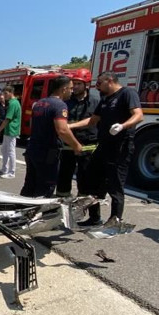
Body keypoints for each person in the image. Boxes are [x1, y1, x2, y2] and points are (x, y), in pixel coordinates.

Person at [69, 71, 144, 227]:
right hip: (103, 145)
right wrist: (70, 126)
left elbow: (138, 115)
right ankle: (94, 217)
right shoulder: (105, 100)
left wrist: (123, 126)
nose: (97, 87)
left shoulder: (127, 93)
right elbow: (93, 120)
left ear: (109, 81)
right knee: (91, 181)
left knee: (115, 184)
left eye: (99, 83)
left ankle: (115, 220)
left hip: (120, 146)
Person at [20, 76, 83, 197]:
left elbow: (33, 126)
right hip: (48, 153)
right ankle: (37, 214)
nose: (72, 90)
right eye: (70, 88)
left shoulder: (39, 103)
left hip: (32, 149)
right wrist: (76, 145)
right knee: (45, 187)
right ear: (63, 89)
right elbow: (62, 130)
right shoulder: (60, 105)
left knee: (30, 185)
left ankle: (20, 212)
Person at [57, 69, 101, 222]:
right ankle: (60, 215)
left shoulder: (96, 100)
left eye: (78, 84)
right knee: (63, 181)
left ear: (86, 84)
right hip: (68, 147)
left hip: (88, 146)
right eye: (73, 84)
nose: (74, 87)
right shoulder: (67, 101)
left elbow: (94, 121)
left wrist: (72, 126)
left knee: (87, 183)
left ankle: (94, 217)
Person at [0, 87, 21, 179]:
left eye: (5, 93)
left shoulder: (13, 103)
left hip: (12, 130)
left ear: (11, 93)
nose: (4, 96)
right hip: (8, 130)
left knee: (11, 151)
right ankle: (4, 169)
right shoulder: (12, 103)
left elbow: (7, 119)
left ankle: (12, 172)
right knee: (4, 150)